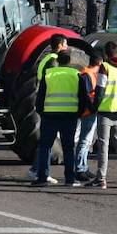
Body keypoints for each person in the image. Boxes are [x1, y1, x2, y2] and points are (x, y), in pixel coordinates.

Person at [34, 50, 90, 187]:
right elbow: (84, 97)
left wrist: (41, 111)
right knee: (68, 148)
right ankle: (70, 179)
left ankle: (42, 177)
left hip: (49, 115)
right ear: (70, 61)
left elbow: (40, 97)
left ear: (57, 61)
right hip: (69, 115)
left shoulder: (49, 74)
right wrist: (79, 112)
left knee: (45, 147)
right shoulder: (76, 75)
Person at [90, 41, 117, 189]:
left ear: (105, 54)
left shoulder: (105, 67)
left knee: (103, 145)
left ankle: (101, 179)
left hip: (106, 110)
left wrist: (94, 106)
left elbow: (100, 90)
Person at [28, 34, 70, 183]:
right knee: (47, 142)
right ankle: (39, 172)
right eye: (65, 45)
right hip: (50, 105)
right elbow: (52, 83)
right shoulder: (53, 61)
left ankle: (36, 170)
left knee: (46, 141)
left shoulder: (47, 58)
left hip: (44, 102)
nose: (67, 48)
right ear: (59, 46)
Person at [74, 61, 101, 181]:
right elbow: (86, 95)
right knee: (84, 141)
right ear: (99, 62)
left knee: (87, 141)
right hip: (88, 112)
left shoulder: (89, 74)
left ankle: (84, 167)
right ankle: (80, 169)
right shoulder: (87, 75)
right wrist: (93, 109)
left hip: (89, 111)